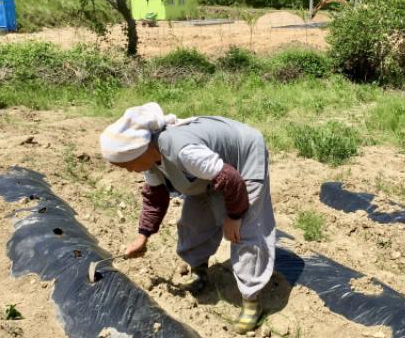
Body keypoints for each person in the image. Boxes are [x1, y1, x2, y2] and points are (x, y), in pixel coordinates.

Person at [99, 103, 276, 334]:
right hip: (211, 171)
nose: (126, 170)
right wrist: (143, 236)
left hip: (243, 156)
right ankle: (200, 271)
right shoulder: (150, 161)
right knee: (194, 220)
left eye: (125, 164)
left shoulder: (183, 151)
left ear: (139, 151)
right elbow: (155, 197)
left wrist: (234, 216)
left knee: (244, 230)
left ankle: (251, 301)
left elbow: (231, 179)